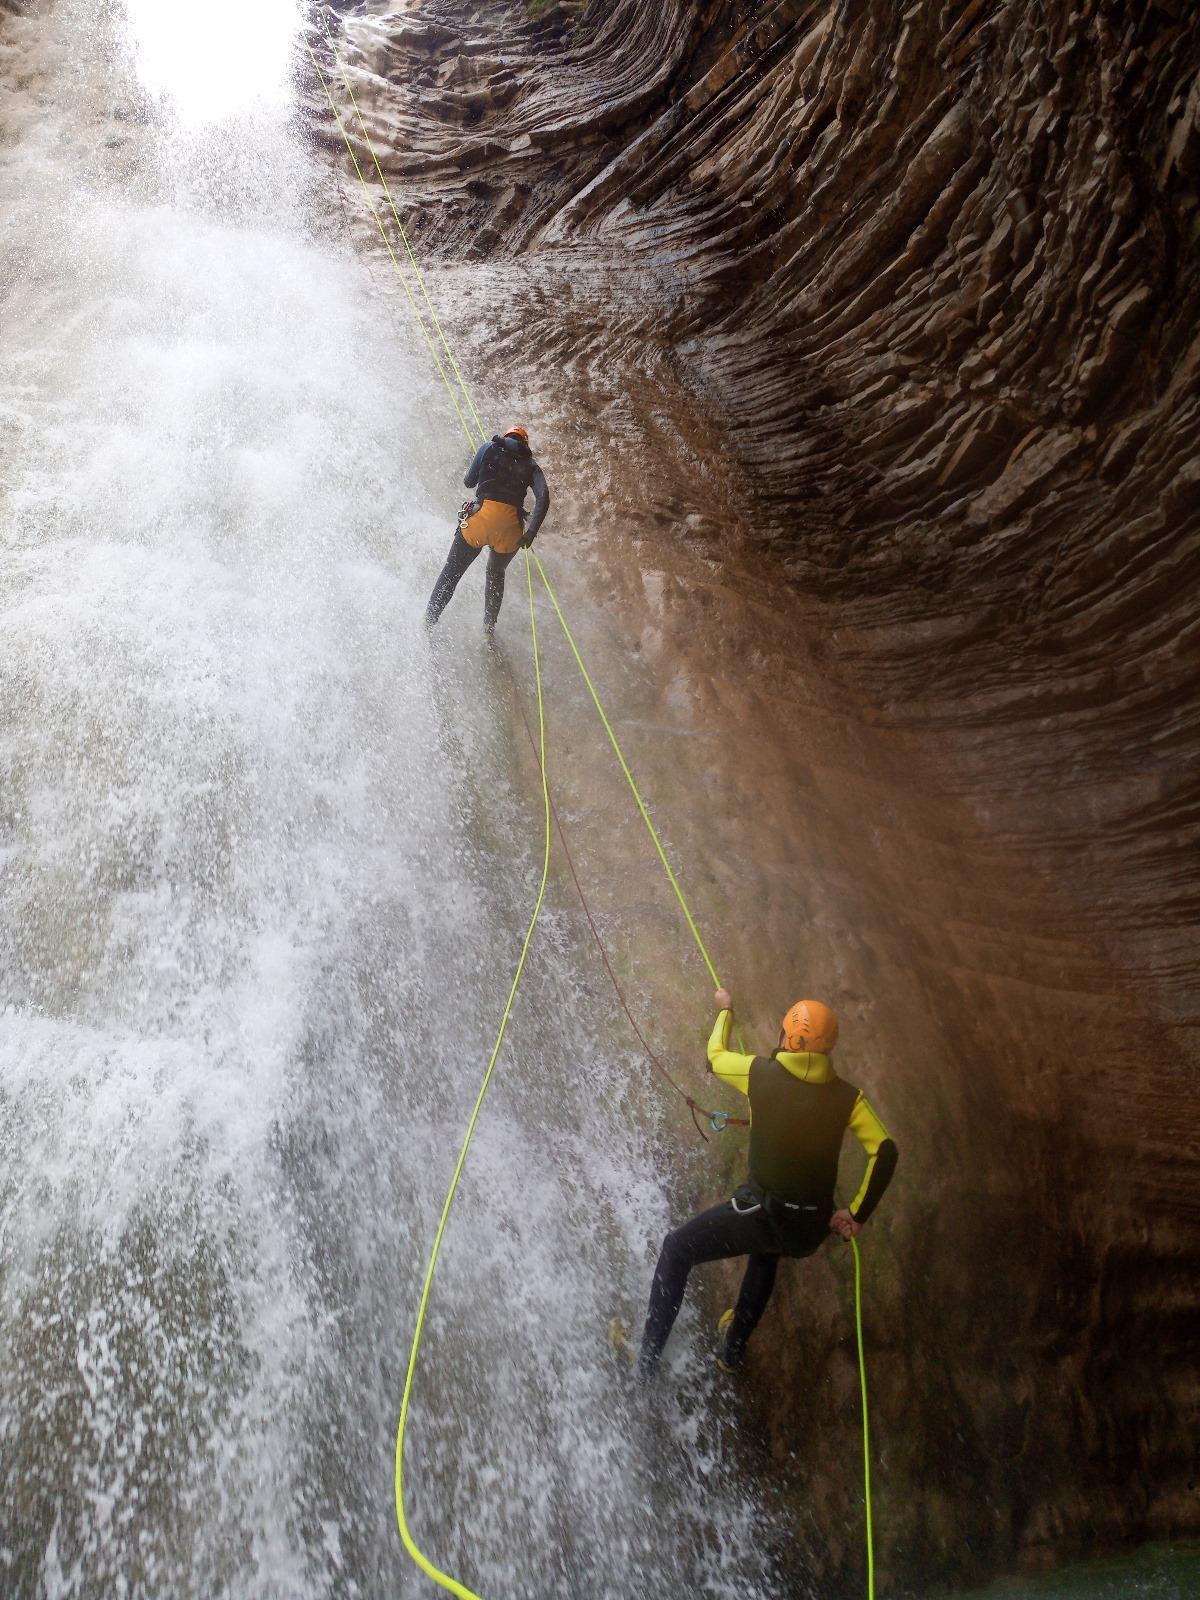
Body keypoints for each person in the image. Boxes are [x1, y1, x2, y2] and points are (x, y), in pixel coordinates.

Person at [637, 988, 898, 1377]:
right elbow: (886, 1150)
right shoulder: (849, 1098)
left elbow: (715, 1056)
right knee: (768, 1249)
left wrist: (725, 1011)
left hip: (761, 1214)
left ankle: (645, 1361)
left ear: (789, 1039)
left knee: (677, 1249)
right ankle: (733, 1351)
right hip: (807, 1231)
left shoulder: (759, 1073)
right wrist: (857, 1213)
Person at [424, 425, 550, 635]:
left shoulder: (488, 447)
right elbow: (543, 496)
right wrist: (531, 533)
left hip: (481, 520)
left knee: (451, 573)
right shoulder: (531, 465)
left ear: (506, 436)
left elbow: (468, 482)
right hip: (510, 531)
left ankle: (429, 622)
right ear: (524, 443)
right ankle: (489, 628)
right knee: (496, 573)